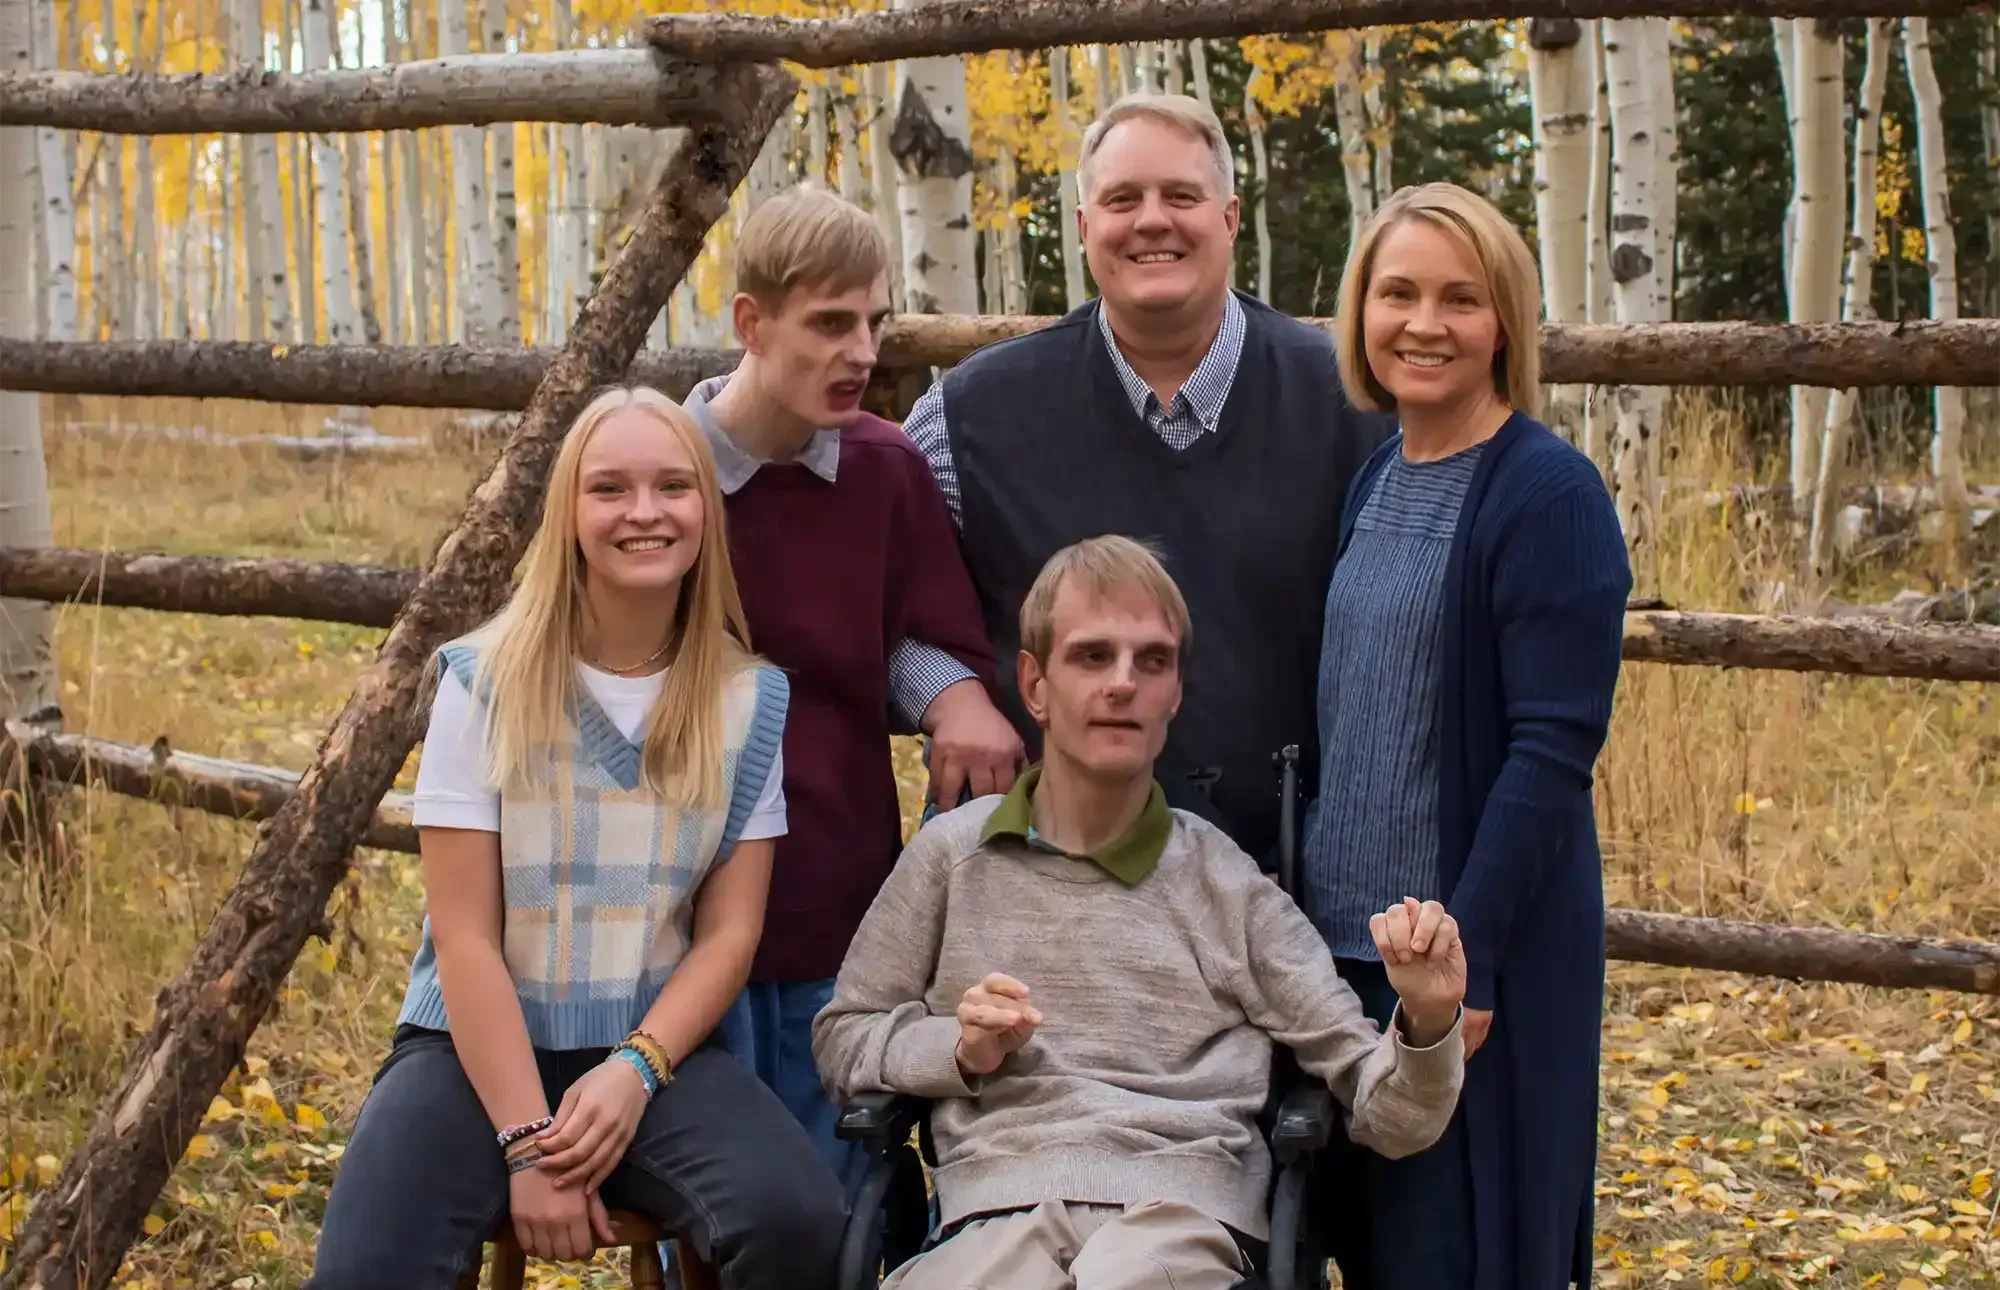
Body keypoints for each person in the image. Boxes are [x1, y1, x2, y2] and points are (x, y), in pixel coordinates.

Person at [815, 535, 1468, 1290]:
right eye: (1092, 657)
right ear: (1033, 684)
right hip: (994, 1216)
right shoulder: (952, 860)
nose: (1123, 683)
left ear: (1175, 692)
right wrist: (957, 1050)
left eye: (1151, 661)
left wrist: (1424, 1023)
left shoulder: (1229, 884)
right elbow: (843, 1039)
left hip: (1183, 1220)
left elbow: (1390, 1115)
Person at [307, 387, 845, 1290]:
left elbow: (729, 935)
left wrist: (636, 1069)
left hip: (650, 1049)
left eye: (673, 486)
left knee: (798, 1218)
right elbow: (467, 935)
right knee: (369, 1264)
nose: (644, 512)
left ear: (705, 514)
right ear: (569, 514)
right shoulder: (482, 683)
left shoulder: (748, 703)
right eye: (610, 489)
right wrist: (524, 1141)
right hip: (470, 1047)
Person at [898, 93, 1393, 862]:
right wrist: (948, 697)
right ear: (1085, 224)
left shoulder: (1355, 404)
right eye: (1123, 199)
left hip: (1288, 886)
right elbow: (872, 598)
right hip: (1044, 883)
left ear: (1229, 219)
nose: (1152, 221)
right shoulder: (967, 416)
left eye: (1181, 196)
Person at [1304, 183, 1632, 1290]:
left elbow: (1550, 749)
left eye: (1460, 298)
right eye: (1395, 293)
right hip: (1343, 957)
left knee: (1458, 1252)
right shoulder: (1376, 478)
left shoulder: (1547, 493)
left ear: (1505, 324)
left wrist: (1469, 953)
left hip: (1459, 971)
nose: (1423, 324)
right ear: (1358, 313)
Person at [678, 185, 1016, 1191]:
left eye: (873, 323)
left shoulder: (882, 466)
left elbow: (916, 634)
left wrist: (954, 697)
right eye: (829, 324)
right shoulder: (660, 475)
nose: (861, 352)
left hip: (841, 897)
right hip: (679, 908)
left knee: (835, 1198)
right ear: (751, 321)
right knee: (724, 1203)